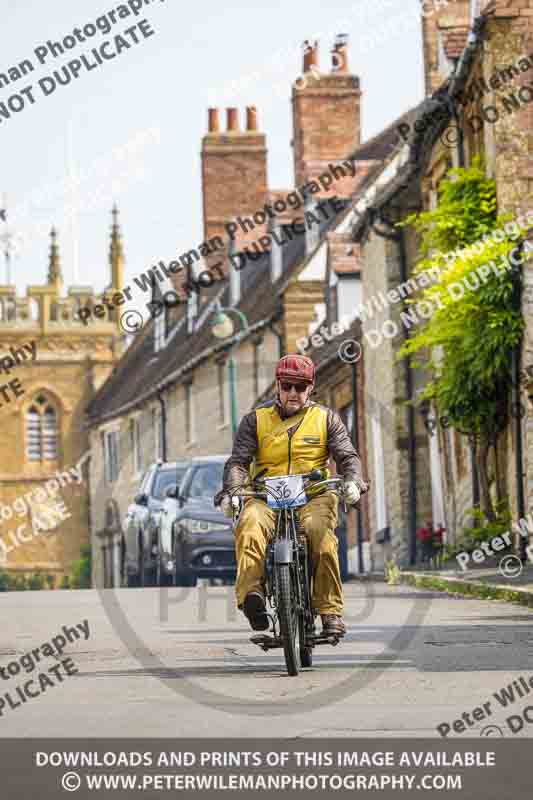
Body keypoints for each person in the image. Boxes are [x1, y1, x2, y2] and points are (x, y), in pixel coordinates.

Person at [214, 354, 369, 637]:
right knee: (249, 525)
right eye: (287, 386)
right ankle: (252, 598)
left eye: (300, 386)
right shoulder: (255, 421)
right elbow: (238, 462)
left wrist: (353, 481)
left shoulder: (326, 419)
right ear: (278, 386)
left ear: (311, 388)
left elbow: (347, 456)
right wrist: (232, 492)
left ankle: (330, 611)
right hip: (265, 496)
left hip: (314, 495)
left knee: (320, 534)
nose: (293, 393)